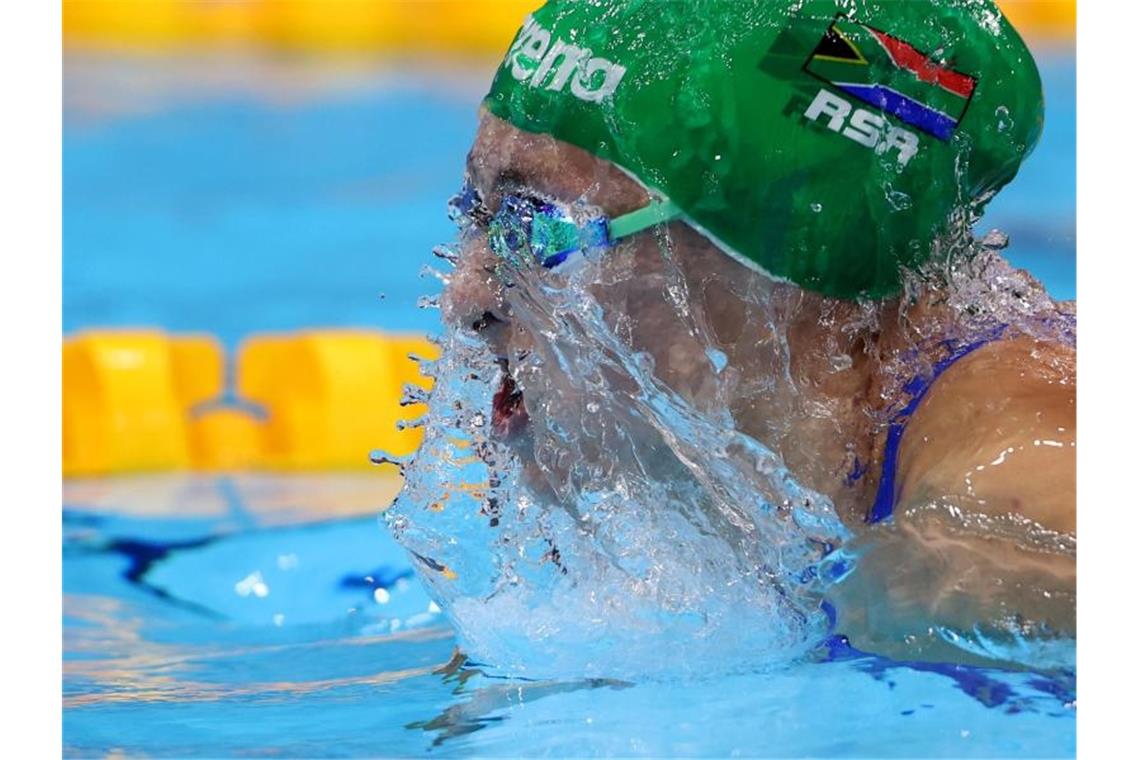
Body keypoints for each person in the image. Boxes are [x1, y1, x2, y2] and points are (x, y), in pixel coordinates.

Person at [437, 0, 1074, 662]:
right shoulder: (746, 523)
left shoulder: (1006, 527)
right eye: (476, 214)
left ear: (783, 260)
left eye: (534, 227)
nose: (466, 300)